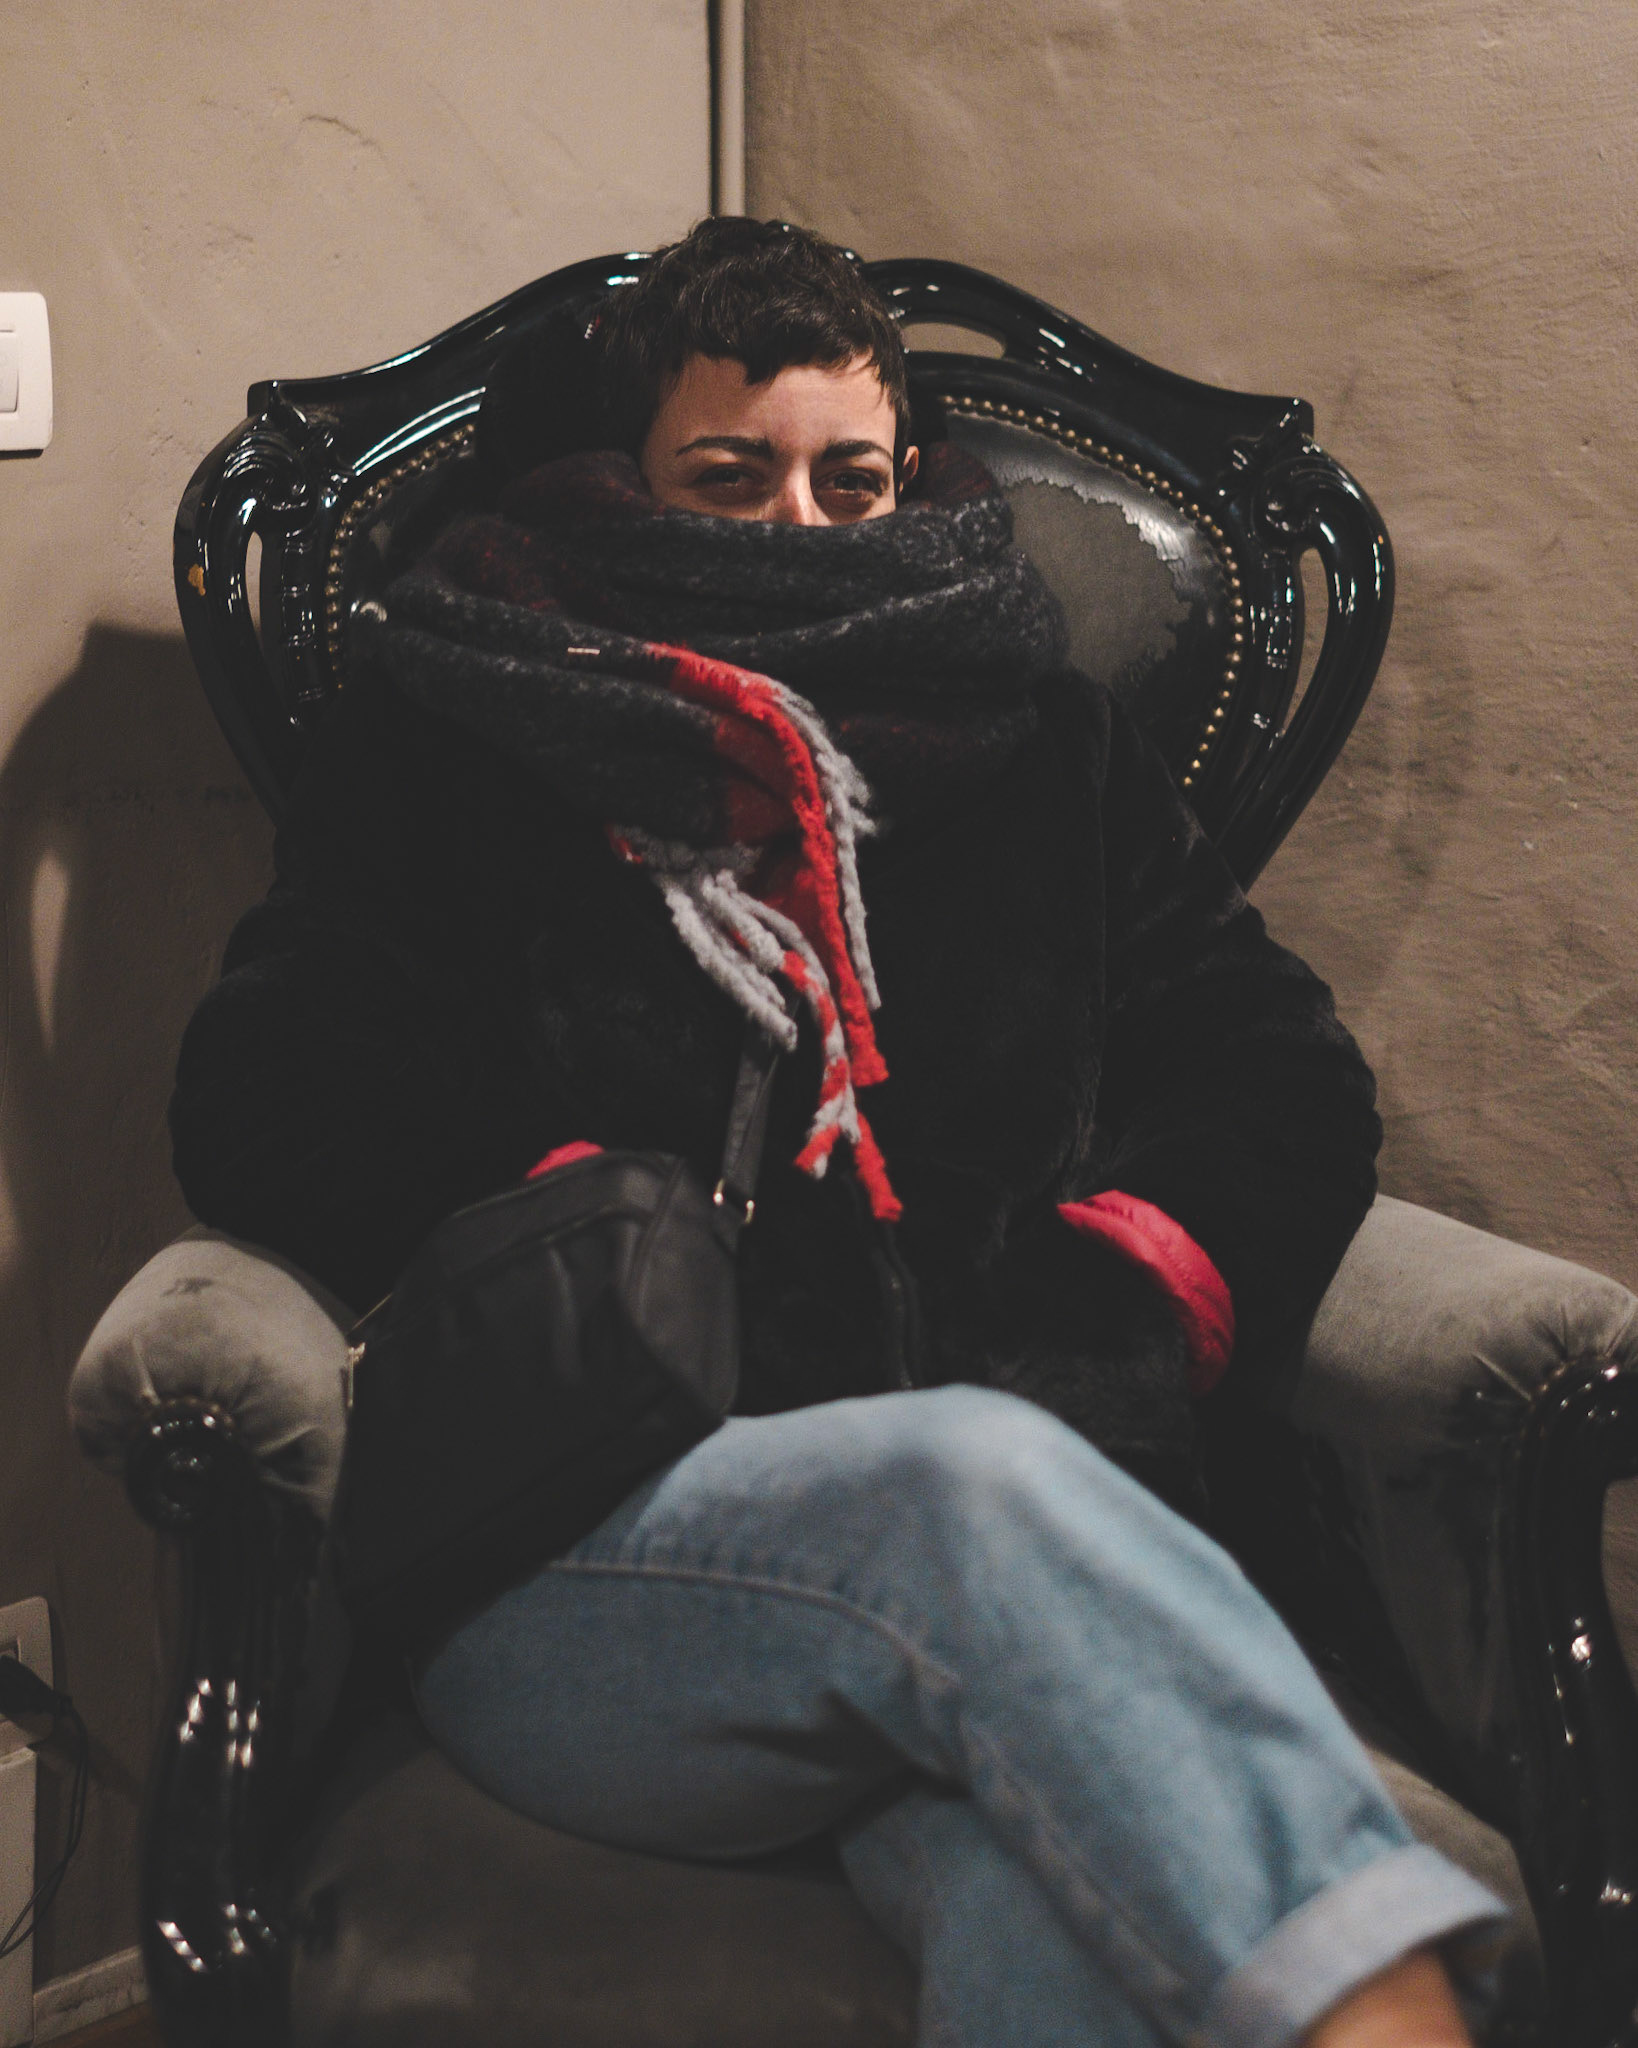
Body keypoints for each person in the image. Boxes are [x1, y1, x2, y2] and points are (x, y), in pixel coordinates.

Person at [169, 218, 1502, 2045]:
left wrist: (1126, 1281)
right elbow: (269, 1082)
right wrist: (561, 1216)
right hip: (585, 1546)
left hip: (1033, 1548)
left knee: (1052, 1893)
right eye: (729, 478)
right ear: (616, 476)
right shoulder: (454, 725)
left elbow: (1271, 1068)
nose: (801, 526)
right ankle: (1389, 2009)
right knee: (960, 1486)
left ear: (907, 478)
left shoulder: (1041, 740)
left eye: (847, 480)